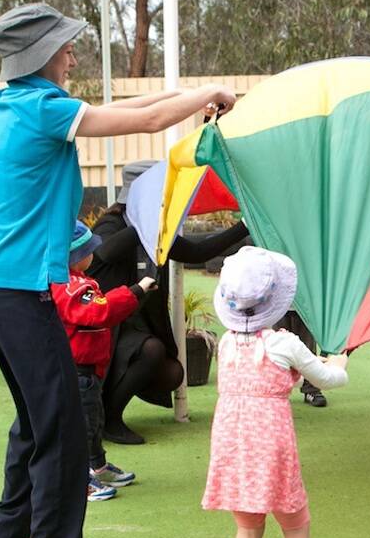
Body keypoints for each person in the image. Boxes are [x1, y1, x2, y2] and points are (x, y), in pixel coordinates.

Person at [0, 1, 234, 538]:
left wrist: (196, 93)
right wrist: (206, 95)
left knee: (35, 417)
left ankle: (11, 529)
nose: (72, 54)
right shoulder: (41, 109)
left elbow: (132, 108)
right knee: (62, 424)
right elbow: (141, 123)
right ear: (41, 56)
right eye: (65, 47)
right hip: (19, 290)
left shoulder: (11, 104)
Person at [201, 247, 348, 538]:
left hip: (234, 443)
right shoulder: (285, 344)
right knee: (296, 526)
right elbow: (328, 378)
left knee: (247, 529)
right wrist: (341, 362)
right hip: (271, 444)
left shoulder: (227, 345)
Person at [88, 162, 250, 443]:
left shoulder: (156, 231)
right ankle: (110, 420)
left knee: (172, 373)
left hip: (135, 322)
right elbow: (103, 254)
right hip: (105, 324)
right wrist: (145, 222)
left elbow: (199, 252)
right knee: (151, 349)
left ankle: (103, 411)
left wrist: (245, 224)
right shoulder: (112, 225)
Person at [51, 222, 154, 503]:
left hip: (91, 368)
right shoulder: (70, 286)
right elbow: (100, 312)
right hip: (78, 369)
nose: (93, 255)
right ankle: (79, 480)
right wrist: (135, 292)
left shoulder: (78, 281)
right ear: (74, 256)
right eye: (88, 251)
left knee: (93, 422)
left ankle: (97, 465)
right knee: (82, 428)